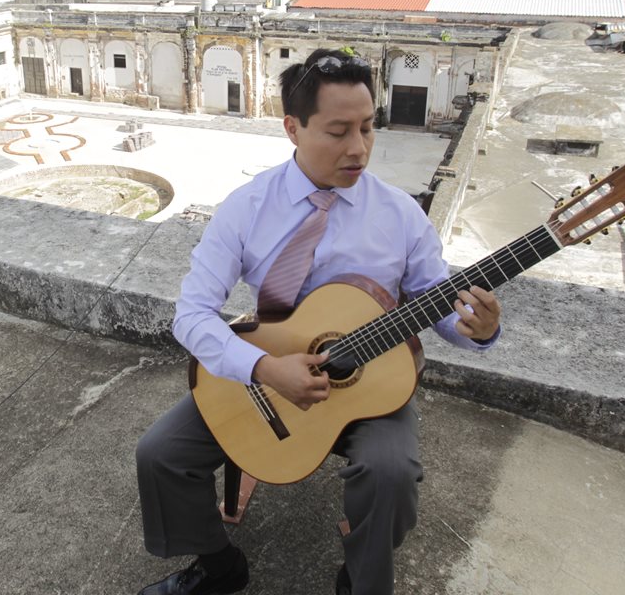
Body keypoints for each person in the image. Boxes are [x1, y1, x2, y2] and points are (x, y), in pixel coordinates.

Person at [135, 48, 502, 595]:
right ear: (293, 128)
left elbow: (437, 304)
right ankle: (219, 566)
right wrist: (264, 369)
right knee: (160, 454)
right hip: (270, 378)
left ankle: (360, 581)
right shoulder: (246, 207)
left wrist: (476, 327)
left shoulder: (400, 214)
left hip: (370, 390)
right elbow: (191, 316)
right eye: (337, 131)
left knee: (391, 476)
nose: (358, 148)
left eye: (368, 128)